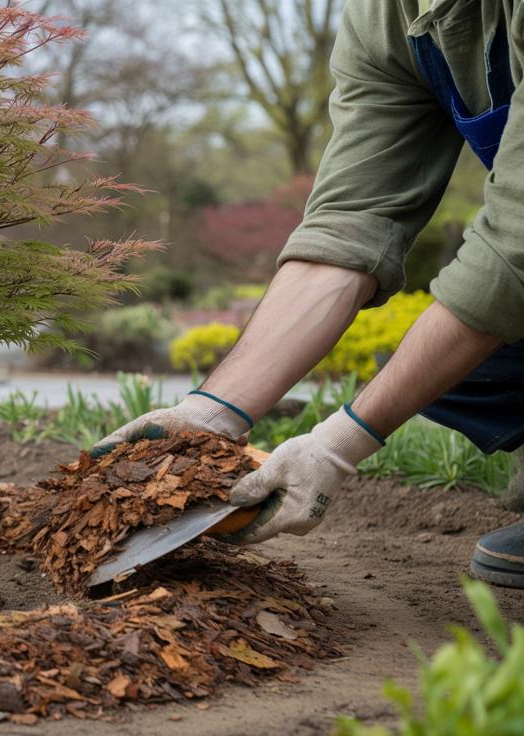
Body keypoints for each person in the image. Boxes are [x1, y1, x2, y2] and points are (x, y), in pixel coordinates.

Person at [93, 0, 524, 587]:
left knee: (473, 333)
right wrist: (211, 412)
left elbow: (515, 247)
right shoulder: (388, 18)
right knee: (464, 369)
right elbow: (353, 221)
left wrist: (337, 445)